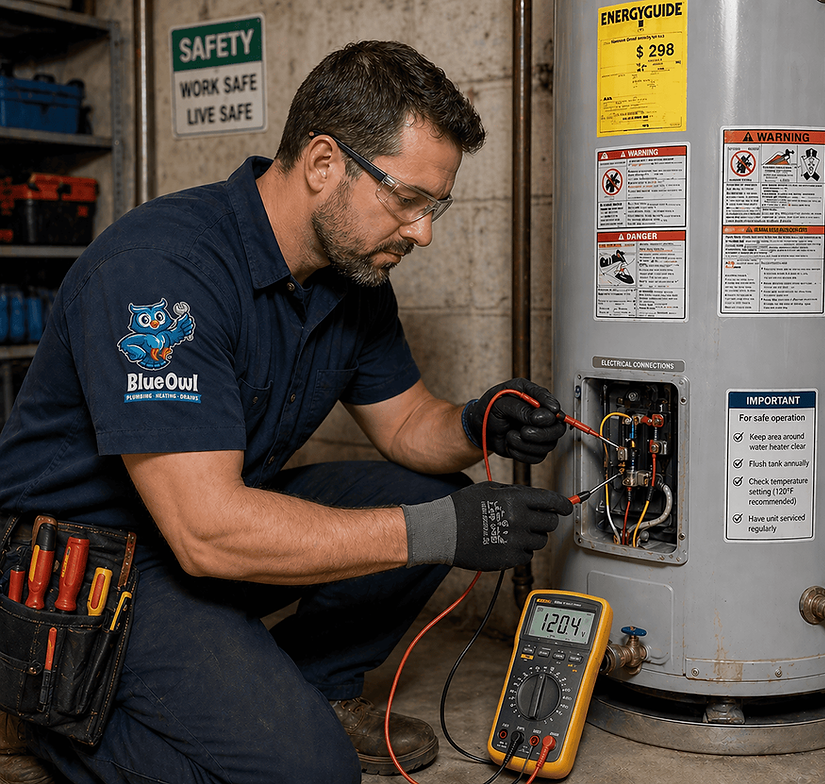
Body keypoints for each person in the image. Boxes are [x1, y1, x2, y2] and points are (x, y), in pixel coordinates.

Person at [0, 40, 572, 784]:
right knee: (312, 775)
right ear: (325, 163)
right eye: (407, 199)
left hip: (195, 532)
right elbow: (207, 533)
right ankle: (44, 709)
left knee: (431, 497)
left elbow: (404, 427)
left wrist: (479, 422)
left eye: (437, 206)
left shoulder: (353, 280)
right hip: (79, 564)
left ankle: (304, 692)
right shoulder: (164, 271)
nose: (423, 231)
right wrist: (439, 535)